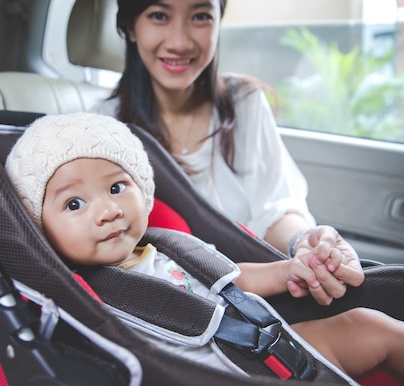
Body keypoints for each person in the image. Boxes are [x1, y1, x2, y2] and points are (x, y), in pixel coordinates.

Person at [5, 112, 404, 386]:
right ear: (38, 227)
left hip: (262, 348)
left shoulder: (171, 245)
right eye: (74, 204)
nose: (108, 210)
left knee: (367, 324)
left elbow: (234, 279)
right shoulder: (69, 291)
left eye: (118, 187)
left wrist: (290, 268)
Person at [92, 0, 363, 304]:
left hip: (276, 287)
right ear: (130, 26)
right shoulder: (101, 129)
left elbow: (274, 208)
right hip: (192, 310)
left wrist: (304, 243)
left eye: (200, 16)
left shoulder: (245, 102)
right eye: (159, 16)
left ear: (219, 23)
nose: (180, 42)